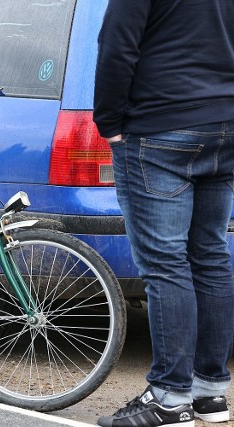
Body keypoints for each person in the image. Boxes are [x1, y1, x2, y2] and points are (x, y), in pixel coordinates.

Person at [93, 0, 234, 425]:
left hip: (159, 128)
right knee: (210, 254)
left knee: (165, 263)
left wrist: (109, 122)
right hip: (225, 125)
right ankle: (210, 394)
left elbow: (117, 45)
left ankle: (169, 399)